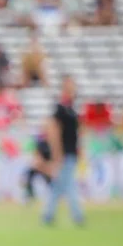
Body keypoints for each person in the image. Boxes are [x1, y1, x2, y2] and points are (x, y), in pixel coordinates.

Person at [43, 75, 85, 226]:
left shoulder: (72, 108)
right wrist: (57, 154)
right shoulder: (60, 109)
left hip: (71, 152)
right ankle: (77, 215)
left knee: (58, 186)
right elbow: (54, 132)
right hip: (64, 154)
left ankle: (47, 216)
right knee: (68, 185)